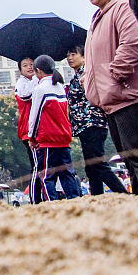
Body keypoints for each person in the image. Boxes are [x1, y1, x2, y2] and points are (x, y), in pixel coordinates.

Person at [82, 0, 138, 197]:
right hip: (113, 100)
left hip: (130, 96)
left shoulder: (123, 6)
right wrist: (91, 84)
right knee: (132, 164)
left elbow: (133, 43)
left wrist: (114, 77)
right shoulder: (99, 17)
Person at [65, 45, 128, 195]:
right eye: (68, 55)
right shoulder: (77, 76)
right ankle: (97, 197)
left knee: (97, 163)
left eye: (74, 54)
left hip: (92, 122)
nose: (70, 58)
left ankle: (124, 194)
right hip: (83, 125)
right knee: (91, 165)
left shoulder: (88, 74)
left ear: (85, 57)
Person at [27, 55, 81, 202]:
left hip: (48, 140)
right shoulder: (61, 88)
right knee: (67, 174)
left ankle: (51, 203)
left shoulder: (40, 89)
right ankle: (75, 201)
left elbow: (35, 116)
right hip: (63, 138)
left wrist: (31, 137)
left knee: (46, 176)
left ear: (38, 71)